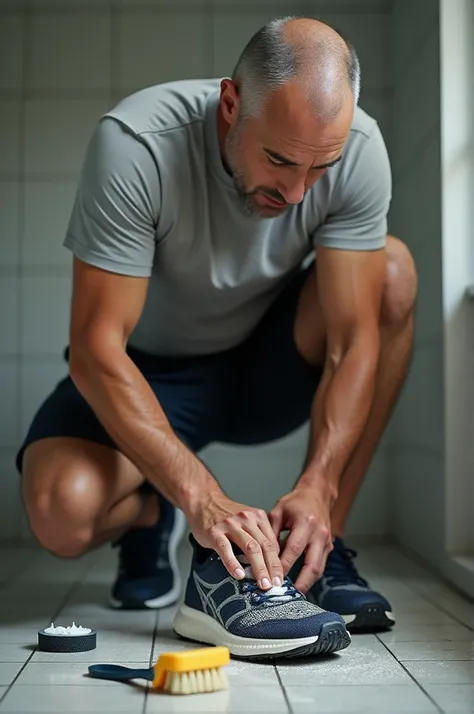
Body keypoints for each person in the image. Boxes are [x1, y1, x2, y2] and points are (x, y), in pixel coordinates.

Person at [16, 17, 417, 657]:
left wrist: (320, 484)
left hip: (268, 368)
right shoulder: (137, 143)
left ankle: (324, 545)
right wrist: (200, 498)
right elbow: (97, 349)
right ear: (231, 104)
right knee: (60, 512)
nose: (295, 192)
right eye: (279, 159)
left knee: (391, 273)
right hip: (147, 377)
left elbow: (352, 340)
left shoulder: (361, 149)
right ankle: (157, 515)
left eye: (321, 169)